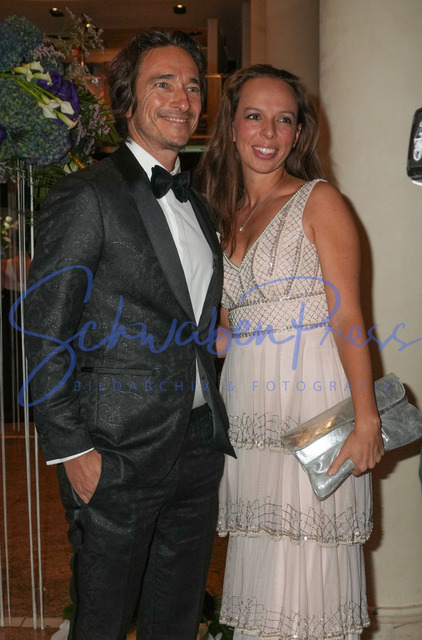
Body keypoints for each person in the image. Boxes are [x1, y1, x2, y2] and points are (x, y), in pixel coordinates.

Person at [22, 30, 234, 640]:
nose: (183, 99)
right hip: (115, 451)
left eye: (192, 87)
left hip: (197, 445)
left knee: (177, 617)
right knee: (103, 620)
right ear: (126, 100)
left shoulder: (200, 206)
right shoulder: (88, 194)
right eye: (162, 84)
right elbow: (45, 329)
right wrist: (72, 450)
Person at [196, 64, 385, 640]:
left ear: (299, 133)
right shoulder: (221, 214)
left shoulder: (319, 201)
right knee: (265, 560)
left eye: (284, 120)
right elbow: (227, 331)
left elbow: (349, 318)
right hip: (250, 412)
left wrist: (367, 419)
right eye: (254, 116)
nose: (268, 132)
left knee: (307, 564)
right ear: (231, 126)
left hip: (313, 408)